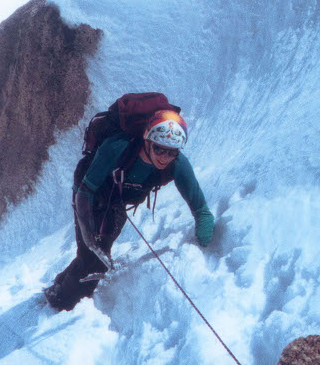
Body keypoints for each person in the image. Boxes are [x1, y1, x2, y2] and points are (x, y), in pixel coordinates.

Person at [43, 109, 214, 311]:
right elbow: (84, 194)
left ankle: (61, 284)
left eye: (172, 151)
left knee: (100, 252)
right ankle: (63, 304)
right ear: (147, 140)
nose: (165, 157)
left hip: (117, 200)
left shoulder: (178, 164)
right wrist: (89, 238)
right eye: (159, 149)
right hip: (89, 194)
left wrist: (207, 242)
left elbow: (201, 209)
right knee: (95, 260)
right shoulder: (117, 147)